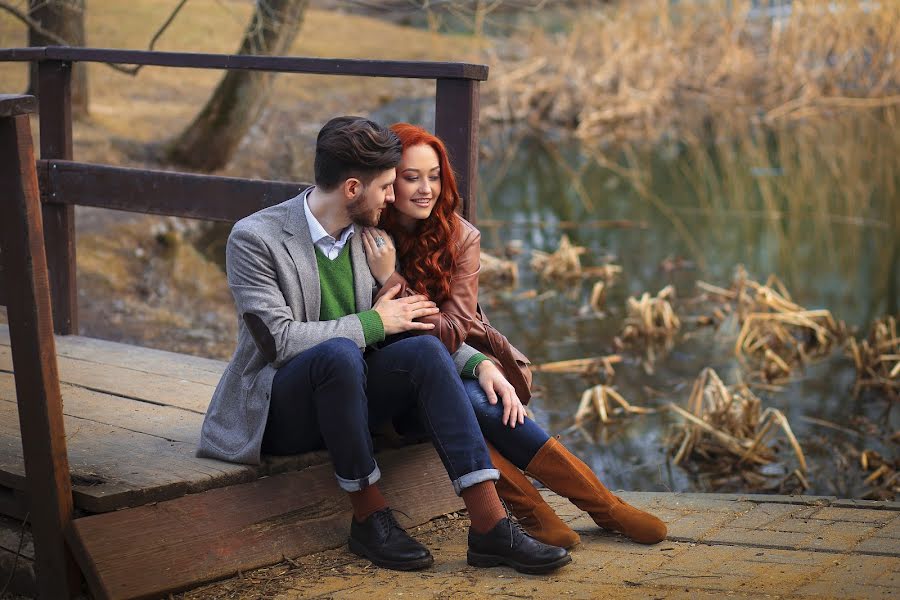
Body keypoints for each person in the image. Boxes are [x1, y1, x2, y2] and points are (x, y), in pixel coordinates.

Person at [198, 116, 570, 574]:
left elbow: (408, 324)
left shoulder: (371, 239)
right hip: (279, 410)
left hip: (349, 399)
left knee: (425, 352)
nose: (394, 199)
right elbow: (279, 342)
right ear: (353, 188)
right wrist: (373, 321)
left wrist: (477, 362)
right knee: (336, 354)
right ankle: (370, 518)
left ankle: (491, 526)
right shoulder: (256, 238)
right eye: (388, 188)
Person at [364, 122, 667, 549]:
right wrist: (390, 273)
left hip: (445, 362)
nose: (425, 189)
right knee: (467, 401)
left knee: (486, 399)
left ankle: (602, 506)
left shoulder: (460, 236)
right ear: (388, 180)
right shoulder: (369, 235)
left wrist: (479, 362)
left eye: (434, 176)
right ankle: (537, 512)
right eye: (411, 177)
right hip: (393, 386)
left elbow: (453, 333)